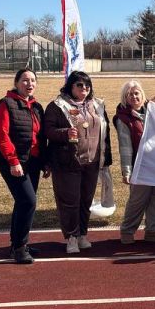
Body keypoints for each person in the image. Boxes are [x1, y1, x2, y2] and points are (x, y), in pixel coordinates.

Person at [43, 71, 113, 254]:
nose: (84, 89)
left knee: (85, 201)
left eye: (87, 85)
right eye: (79, 85)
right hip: (67, 162)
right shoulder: (57, 106)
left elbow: (105, 133)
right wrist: (65, 133)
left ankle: (82, 234)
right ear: (70, 86)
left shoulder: (97, 105)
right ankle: (71, 237)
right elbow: (48, 131)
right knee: (69, 202)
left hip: (92, 162)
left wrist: (107, 159)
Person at [0, 68, 49, 264]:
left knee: (23, 202)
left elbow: (41, 139)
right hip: (14, 162)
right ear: (16, 83)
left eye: (33, 80)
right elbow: (2, 135)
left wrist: (45, 163)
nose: (29, 84)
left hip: (32, 162)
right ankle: (19, 247)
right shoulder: (6, 104)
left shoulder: (37, 107)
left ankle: (17, 243)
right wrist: (13, 161)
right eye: (25, 80)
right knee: (28, 201)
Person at [114, 79, 155, 245]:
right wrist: (127, 171)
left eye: (136, 93)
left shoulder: (153, 110)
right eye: (129, 95)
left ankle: (153, 230)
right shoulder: (124, 119)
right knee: (138, 200)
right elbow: (125, 147)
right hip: (140, 166)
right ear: (124, 98)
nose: (133, 97)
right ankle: (127, 231)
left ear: (142, 95)